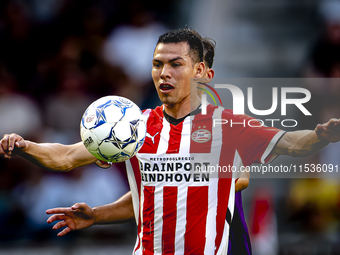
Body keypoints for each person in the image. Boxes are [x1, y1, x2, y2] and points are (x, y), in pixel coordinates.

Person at [1, 28, 340, 254]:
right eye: (157, 64)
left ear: (200, 71)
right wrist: (25, 147)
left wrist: (319, 135)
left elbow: (292, 144)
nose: (164, 73)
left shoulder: (229, 126)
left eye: (176, 64)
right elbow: (65, 157)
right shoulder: (133, 126)